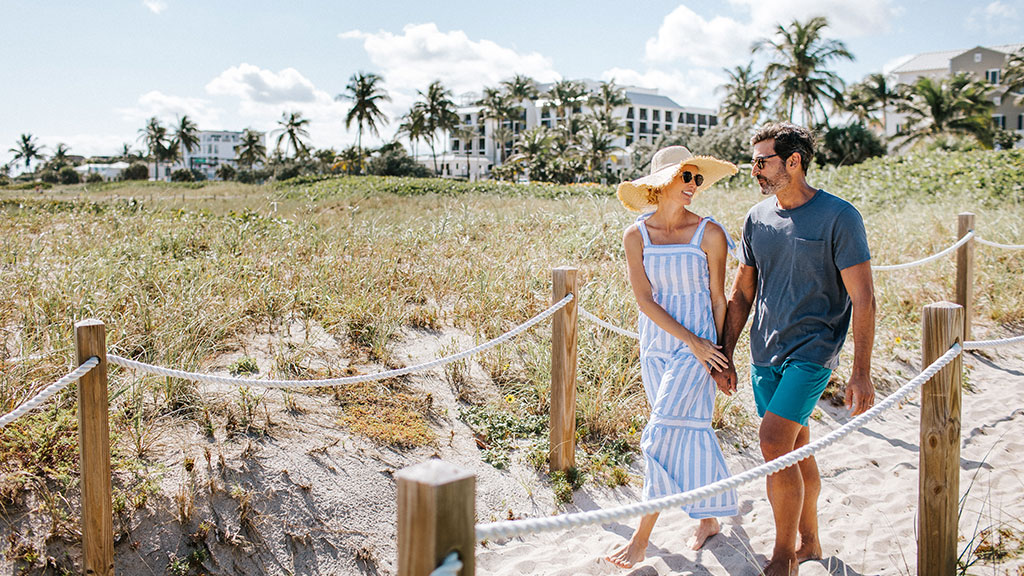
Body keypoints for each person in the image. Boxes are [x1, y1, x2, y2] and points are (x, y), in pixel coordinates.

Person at [714, 123, 876, 576]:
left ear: (793, 161)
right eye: (753, 161)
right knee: (796, 447)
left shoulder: (839, 216)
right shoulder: (757, 218)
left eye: (763, 161)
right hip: (765, 352)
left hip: (814, 352)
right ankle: (810, 541)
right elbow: (742, 292)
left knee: (772, 442)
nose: (755, 170)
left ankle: (784, 555)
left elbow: (863, 297)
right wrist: (725, 352)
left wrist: (860, 372)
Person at [606, 146, 740, 568]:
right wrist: (689, 341)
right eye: (687, 177)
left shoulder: (710, 233)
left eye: (698, 179)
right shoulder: (636, 236)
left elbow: (719, 300)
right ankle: (710, 518)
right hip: (657, 347)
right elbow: (645, 301)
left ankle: (641, 538)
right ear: (662, 182)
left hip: (698, 352)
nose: (694, 186)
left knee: (661, 434)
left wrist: (719, 356)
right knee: (687, 431)